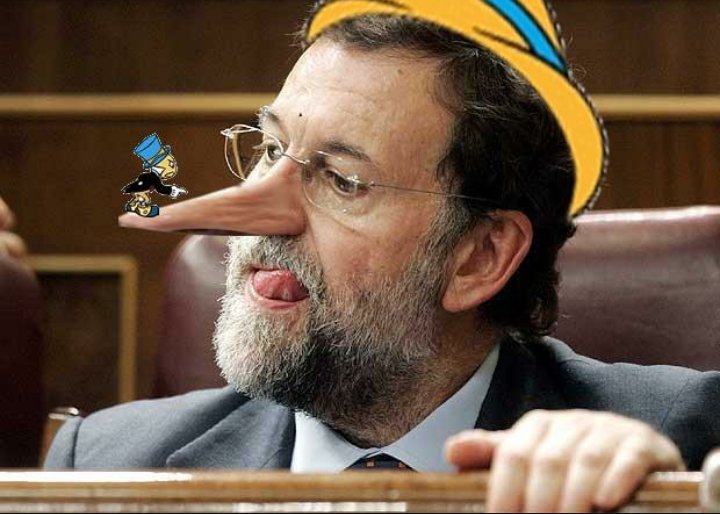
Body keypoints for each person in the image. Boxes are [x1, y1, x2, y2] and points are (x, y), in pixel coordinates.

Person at [45, 8, 720, 514]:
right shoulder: (104, 466)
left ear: (479, 256)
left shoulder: (680, 449)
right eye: (271, 150)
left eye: (342, 180)